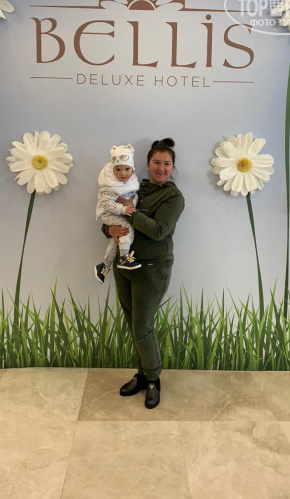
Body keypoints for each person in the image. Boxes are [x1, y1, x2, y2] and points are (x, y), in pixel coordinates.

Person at [104, 138, 184, 409]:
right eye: (156, 162)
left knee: (142, 327)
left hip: (152, 270)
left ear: (172, 167)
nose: (161, 168)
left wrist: (129, 211)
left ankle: (152, 379)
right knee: (133, 324)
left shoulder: (173, 197)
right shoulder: (133, 187)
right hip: (124, 265)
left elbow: (159, 231)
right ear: (148, 164)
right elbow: (110, 215)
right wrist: (108, 229)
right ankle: (141, 374)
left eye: (167, 163)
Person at [94, 144, 142, 284]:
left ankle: (104, 266)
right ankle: (124, 257)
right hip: (110, 214)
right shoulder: (110, 185)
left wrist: (130, 205)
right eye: (118, 169)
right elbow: (105, 203)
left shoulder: (131, 181)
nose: (123, 174)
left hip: (119, 213)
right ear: (112, 169)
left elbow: (132, 197)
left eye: (127, 169)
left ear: (132, 169)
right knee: (127, 229)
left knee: (117, 239)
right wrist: (123, 209)